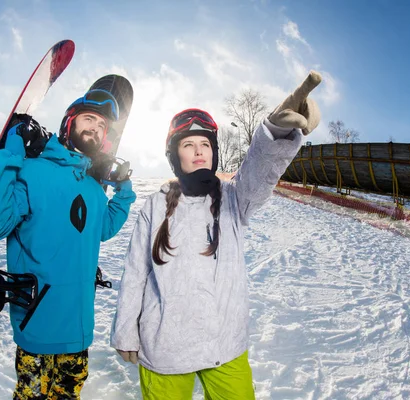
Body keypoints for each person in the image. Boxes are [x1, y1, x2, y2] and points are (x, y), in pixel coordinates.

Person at [110, 71, 322, 399]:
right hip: (166, 344)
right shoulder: (155, 205)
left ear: (214, 152)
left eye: (205, 144)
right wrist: (126, 330)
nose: (198, 151)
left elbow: (259, 172)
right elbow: (136, 272)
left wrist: (276, 131)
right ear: (174, 155)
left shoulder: (235, 198)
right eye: (188, 144)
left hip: (223, 344)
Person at [0, 88, 137, 399]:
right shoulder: (32, 170)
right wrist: (11, 153)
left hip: (79, 332)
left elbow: (101, 229)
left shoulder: (93, 186)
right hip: (38, 327)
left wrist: (124, 191)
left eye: (102, 126)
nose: (95, 128)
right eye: (89, 119)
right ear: (69, 123)